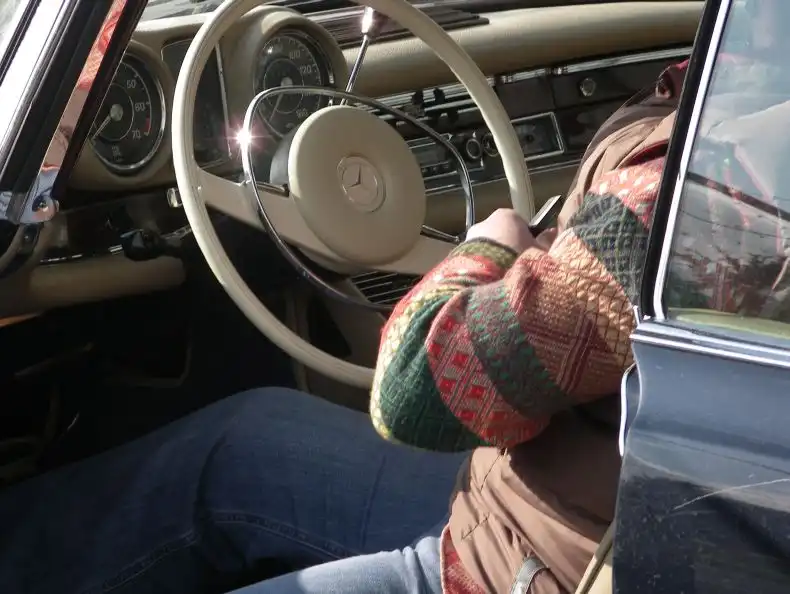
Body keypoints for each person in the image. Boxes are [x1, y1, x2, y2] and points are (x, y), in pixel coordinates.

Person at [0, 64, 687, 594]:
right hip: (573, 509)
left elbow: (414, 390)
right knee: (243, 439)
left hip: (539, 566)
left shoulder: (684, 200)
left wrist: (489, 246)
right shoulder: (710, 107)